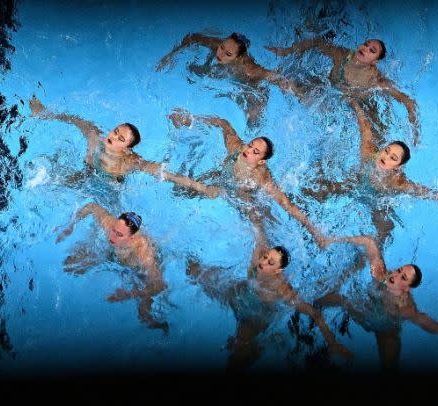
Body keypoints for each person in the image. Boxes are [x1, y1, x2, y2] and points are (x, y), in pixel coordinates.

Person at [304, 98, 438, 245]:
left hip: (376, 201)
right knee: (314, 190)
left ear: (398, 167)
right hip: (354, 184)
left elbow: (433, 194)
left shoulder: (397, 183)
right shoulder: (369, 153)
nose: (385, 157)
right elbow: (364, 124)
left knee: (385, 232)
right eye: (386, 151)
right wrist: (352, 100)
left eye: (393, 158)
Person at [187, 223, 352, 372]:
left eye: (271, 263)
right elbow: (259, 228)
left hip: (255, 316)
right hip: (237, 295)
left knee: (237, 356)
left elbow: (315, 314)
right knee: (193, 270)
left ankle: (254, 349)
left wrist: (333, 343)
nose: (263, 263)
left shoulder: (281, 289)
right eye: (266, 257)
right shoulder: (257, 260)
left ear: (278, 271)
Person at [167, 108, 327, 246]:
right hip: (222, 177)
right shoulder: (236, 148)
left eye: (255, 152)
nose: (248, 150)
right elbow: (224, 123)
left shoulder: (261, 177)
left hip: (244, 195)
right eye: (251, 145)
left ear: (261, 161)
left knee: (258, 227)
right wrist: (190, 119)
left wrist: (315, 231)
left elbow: (286, 203)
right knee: (179, 192)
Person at [315, 234, 438, 373]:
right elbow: (369, 242)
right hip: (367, 308)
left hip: (385, 327)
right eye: (399, 270)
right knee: (341, 300)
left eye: (403, 277)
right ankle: (311, 305)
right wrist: (329, 240)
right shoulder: (381, 275)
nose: (395, 275)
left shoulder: (406, 309)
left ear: (407, 289)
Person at [28, 95, 221, 198]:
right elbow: (75, 120)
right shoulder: (95, 138)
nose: (114, 136)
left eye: (121, 139)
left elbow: (170, 176)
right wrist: (44, 113)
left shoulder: (131, 162)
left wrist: (203, 189)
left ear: (128, 148)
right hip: (87, 171)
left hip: (111, 185)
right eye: (115, 132)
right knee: (53, 183)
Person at [265, 35, 420, 147]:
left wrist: (414, 131)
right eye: (366, 44)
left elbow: (409, 102)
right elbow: (317, 42)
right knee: (292, 81)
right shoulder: (343, 55)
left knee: (375, 139)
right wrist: (287, 51)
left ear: (375, 62)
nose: (365, 49)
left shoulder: (376, 80)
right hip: (333, 91)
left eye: (371, 50)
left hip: (360, 104)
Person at [56, 202, 168, 332]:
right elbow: (92, 206)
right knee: (70, 266)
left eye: (119, 234)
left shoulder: (143, 252)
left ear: (131, 238)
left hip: (137, 269)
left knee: (143, 315)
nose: (112, 236)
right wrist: (70, 226)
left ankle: (163, 328)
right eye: (114, 230)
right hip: (113, 253)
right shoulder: (110, 224)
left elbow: (160, 284)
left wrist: (130, 294)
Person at [156, 31, 306, 128]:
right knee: (193, 71)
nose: (220, 54)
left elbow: (273, 76)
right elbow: (193, 37)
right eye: (222, 47)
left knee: (254, 121)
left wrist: (296, 92)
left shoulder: (248, 69)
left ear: (238, 57)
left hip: (249, 86)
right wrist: (170, 56)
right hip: (225, 75)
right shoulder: (217, 46)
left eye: (228, 54)